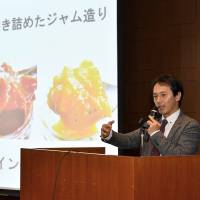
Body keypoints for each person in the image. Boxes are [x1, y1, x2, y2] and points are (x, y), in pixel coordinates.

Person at [101, 74, 200, 156]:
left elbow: (181, 157)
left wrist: (156, 134)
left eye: (163, 95)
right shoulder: (153, 122)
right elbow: (129, 140)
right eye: (155, 96)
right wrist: (109, 135)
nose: (158, 100)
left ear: (177, 96)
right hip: (146, 176)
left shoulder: (190, 126)